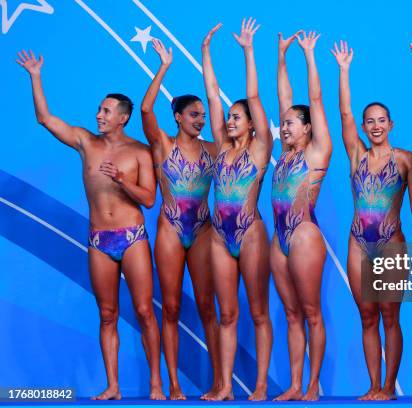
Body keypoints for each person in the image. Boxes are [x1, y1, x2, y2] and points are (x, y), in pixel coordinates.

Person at [17, 50, 164, 400]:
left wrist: (123, 180)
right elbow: (45, 118)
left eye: (106, 111)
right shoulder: (86, 142)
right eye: (99, 110)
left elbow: (148, 200)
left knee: (144, 310)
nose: (98, 115)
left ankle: (157, 383)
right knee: (108, 313)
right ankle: (112, 386)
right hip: (99, 239)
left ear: (123, 118)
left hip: (132, 237)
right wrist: (36, 76)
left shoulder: (140, 152)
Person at [332, 40, 412, 401]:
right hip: (358, 242)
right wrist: (343, 71)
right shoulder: (356, 154)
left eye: (380, 120)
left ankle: (389, 386)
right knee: (366, 316)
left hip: (391, 242)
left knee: (389, 316)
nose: (374, 126)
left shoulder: (405, 160)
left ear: (391, 123)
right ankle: (373, 385)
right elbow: (344, 115)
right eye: (369, 121)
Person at [140, 39, 221, 400]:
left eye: (203, 115)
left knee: (207, 307)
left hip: (203, 230)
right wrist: (164, 66)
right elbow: (144, 109)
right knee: (170, 307)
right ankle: (173, 384)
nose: (200, 119)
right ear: (178, 117)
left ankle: (221, 383)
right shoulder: (162, 146)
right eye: (194, 115)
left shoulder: (213, 150)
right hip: (171, 230)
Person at [200, 19, 273, 401]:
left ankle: (260, 385)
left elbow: (255, 97)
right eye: (229, 117)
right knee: (226, 314)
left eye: (236, 116)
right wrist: (206, 50)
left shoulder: (261, 149)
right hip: (217, 236)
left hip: (250, 234)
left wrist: (248, 50)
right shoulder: (220, 146)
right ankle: (225, 385)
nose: (229, 121)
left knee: (259, 312)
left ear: (250, 123)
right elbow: (212, 94)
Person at [270, 30, 332, 401]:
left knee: (310, 312)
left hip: (304, 234)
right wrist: (281, 56)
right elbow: (284, 97)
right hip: (280, 237)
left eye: (292, 123)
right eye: (285, 123)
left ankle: (312, 386)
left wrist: (309, 55)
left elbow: (315, 99)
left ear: (308, 128)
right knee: (292, 313)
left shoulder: (317, 152)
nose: (285, 126)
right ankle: (294, 384)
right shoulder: (287, 153)